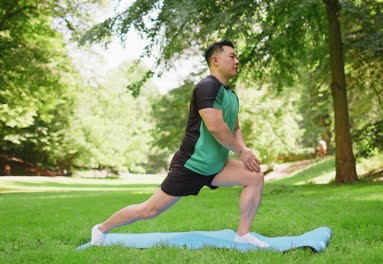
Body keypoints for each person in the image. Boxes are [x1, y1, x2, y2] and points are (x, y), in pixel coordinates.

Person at [91, 40, 269, 248]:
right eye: (232, 56)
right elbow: (215, 126)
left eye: (237, 57)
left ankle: (243, 234)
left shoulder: (230, 94)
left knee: (255, 177)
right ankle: (101, 229)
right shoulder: (207, 87)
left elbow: (235, 127)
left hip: (217, 165)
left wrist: (244, 150)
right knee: (150, 210)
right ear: (216, 60)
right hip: (192, 164)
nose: (237, 61)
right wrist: (240, 151)